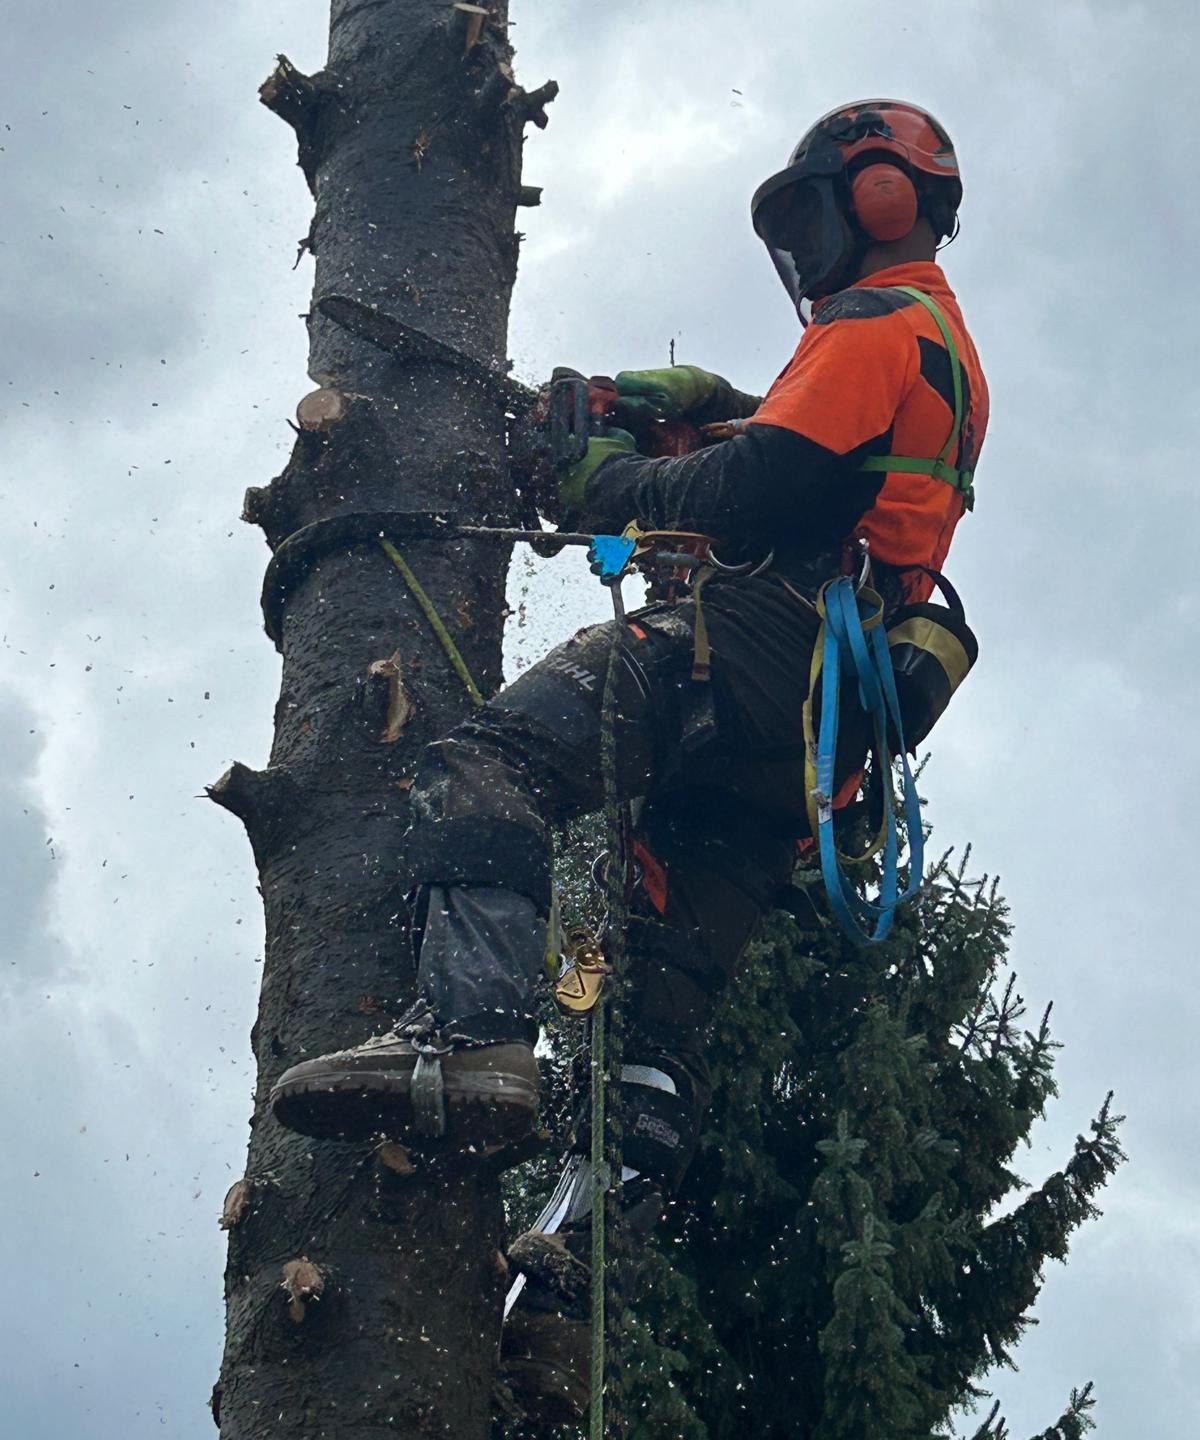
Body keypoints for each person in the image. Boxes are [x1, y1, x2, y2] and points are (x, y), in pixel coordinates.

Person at [269, 99, 990, 1421]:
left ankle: (464, 1044)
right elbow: (787, 459)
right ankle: (565, 1309)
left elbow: (745, 496)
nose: (805, 244)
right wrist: (675, 414)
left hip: (762, 645)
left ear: (885, 198)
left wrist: (605, 478)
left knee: (484, 765)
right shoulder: (934, 354)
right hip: (815, 744)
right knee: (655, 1016)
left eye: (816, 210)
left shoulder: (877, 325)